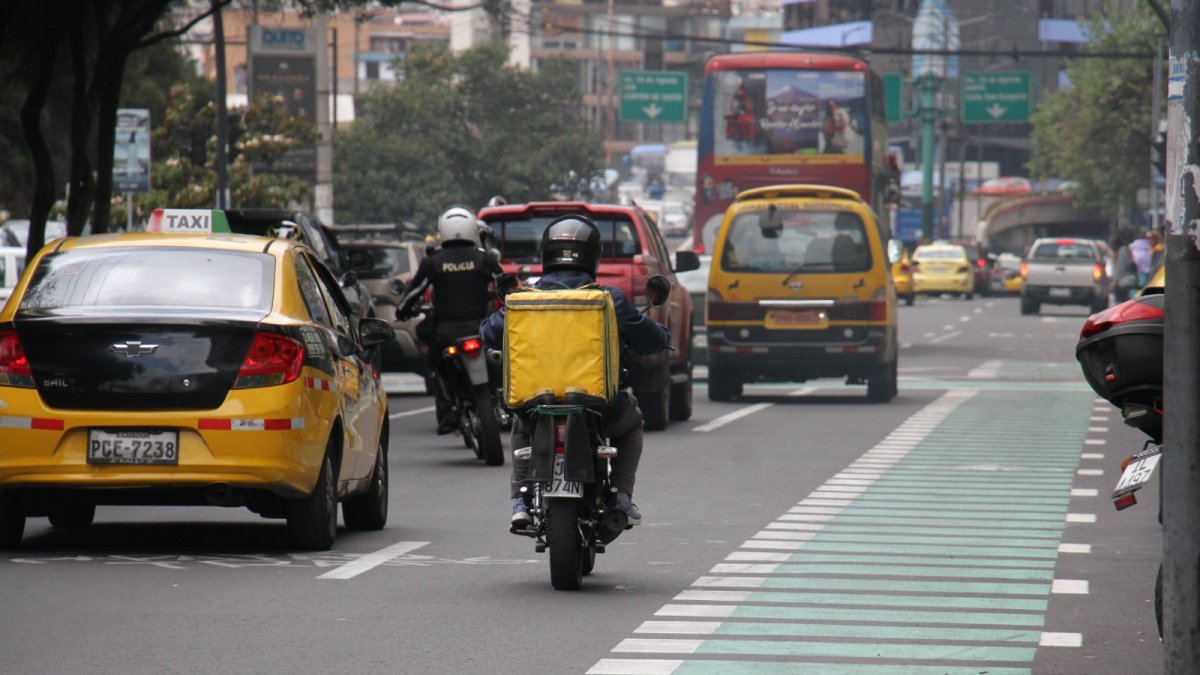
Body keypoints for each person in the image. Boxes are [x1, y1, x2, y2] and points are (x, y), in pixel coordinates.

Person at [480, 214, 669, 531]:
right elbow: (649, 339)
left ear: (547, 253)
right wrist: (662, 337)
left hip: (535, 404)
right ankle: (621, 495)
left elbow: (488, 333)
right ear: (593, 253)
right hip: (598, 405)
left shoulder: (524, 298)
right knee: (633, 421)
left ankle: (519, 501)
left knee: (519, 425)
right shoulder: (609, 299)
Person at [398, 206, 503, 434]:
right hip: (480, 328)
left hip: (446, 332)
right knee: (501, 357)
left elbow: (413, 293)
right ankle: (503, 399)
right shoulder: (484, 259)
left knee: (434, 364)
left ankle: (447, 410)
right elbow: (504, 285)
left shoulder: (433, 262)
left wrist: (402, 311)